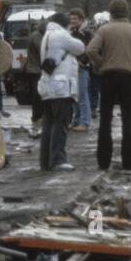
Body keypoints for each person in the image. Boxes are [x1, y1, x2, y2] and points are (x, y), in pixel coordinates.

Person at [86, 0, 131, 171]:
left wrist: (101, 63)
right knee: (128, 121)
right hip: (128, 77)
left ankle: (103, 161)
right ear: (127, 11)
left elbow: (91, 50)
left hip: (108, 76)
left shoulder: (104, 30)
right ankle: (129, 162)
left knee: (105, 120)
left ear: (111, 12)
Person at [37, 12, 85, 171]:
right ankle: (58, 160)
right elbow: (80, 48)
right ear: (65, 25)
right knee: (60, 124)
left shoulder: (47, 35)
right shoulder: (61, 35)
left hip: (48, 87)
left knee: (49, 125)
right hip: (60, 88)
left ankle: (45, 161)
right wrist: (72, 32)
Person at [67, 9, 92, 131]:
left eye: (75, 19)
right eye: (71, 19)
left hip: (82, 67)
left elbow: (90, 50)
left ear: (81, 20)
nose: (72, 21)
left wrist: (82, 62)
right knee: (74, 96)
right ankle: (76, 120)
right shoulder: (71, 32)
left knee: (82, 95)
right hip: (72, 68)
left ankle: (85, 121)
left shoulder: (86, 33)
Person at [24, 18, 45, 130]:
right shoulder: (37, 36)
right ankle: (37, 116)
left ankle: (37, 116)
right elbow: (42, 50)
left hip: (33, 69)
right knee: (37, 95)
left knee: (36, 94)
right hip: (35, 69)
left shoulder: (34, 35)